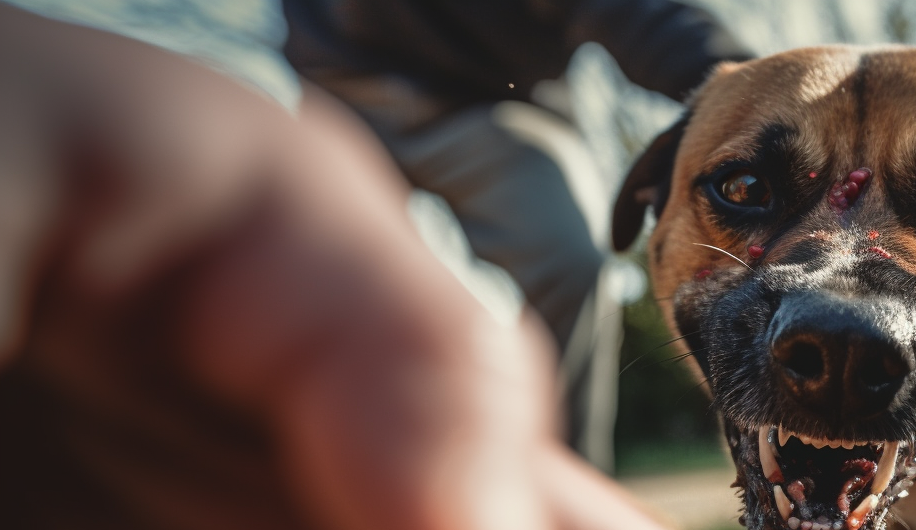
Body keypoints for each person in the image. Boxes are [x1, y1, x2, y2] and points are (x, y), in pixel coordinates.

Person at [0, 5, 874, 530]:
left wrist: (728, 75)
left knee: (563, 244)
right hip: (337, 85)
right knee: (303, 280)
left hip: (505, 103)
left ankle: (556, 499)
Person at [283, 0, 756, 472]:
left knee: (566, 255)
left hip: (493, 104)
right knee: (296, 282)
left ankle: (571, 479)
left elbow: (637, 12)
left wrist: (759, 88)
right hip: (335, 91)